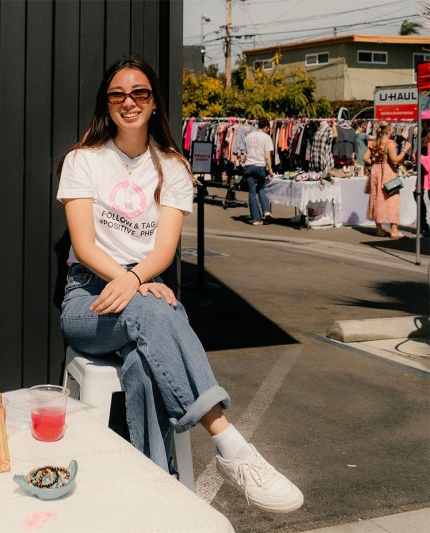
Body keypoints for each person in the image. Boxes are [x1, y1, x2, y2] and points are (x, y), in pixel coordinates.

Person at [55, 55, 304, 514]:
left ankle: (159, 494)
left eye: (140, 93)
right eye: (118, 94)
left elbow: (163, 251)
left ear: (154, 103)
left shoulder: (172, 166)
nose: (128, 102)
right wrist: (131, 282)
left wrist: (136, 280)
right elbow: (85, 246)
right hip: (88, 299)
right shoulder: (82, 160)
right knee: (156, 309)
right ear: (106, 104)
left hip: (138, 285)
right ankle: (230, 444)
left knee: (143, 365)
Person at [364, 120, 411, 239]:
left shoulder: (374, 142)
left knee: (376, 198)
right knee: (392, 200)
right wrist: (405, 150)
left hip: (375, 171)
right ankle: (394, 231)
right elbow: (394, 160)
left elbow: (365, 158)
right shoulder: (389, 143)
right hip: (387, 171)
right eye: (392, 128)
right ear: (388, 130)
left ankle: (379, 230)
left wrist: (375, 163)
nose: (393, 130)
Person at [243, 118, 275, 225]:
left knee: (252, 193)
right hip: (260, 166)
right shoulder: (267, 138)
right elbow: (267, 157)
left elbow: (246, 153)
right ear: (266, 127)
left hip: (249, 166)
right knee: (261, 188)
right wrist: (270, 169)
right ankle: (266, 210)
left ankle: (256, 219)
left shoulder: (249, 136)